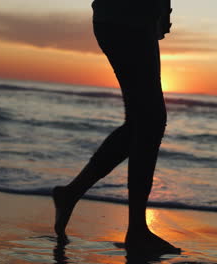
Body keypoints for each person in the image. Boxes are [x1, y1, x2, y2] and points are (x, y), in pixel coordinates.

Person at [52, 0, 180, 256]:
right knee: (150, 121)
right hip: (127, 18)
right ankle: (136, 231)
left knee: (142, 122)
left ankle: (72, 194)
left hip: (126, 17)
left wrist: (161, 10)